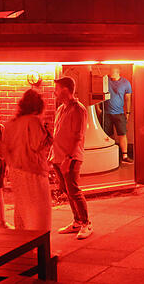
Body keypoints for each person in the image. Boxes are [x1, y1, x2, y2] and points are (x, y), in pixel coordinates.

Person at [1, 89, 53, 230]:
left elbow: (4, 149)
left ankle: (22, 244)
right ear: (38, 106)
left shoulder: (11, 123)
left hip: (16, 170)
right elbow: (37, 145)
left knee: (22, 208)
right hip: (33, 171)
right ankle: (40, 248)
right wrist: (48, 133)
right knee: (40, 211)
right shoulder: (33, 121)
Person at [50, 76, 93, 240]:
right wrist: (52, 156)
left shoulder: (79, 110)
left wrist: (68, 158)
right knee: (67, 191)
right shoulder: (61, 109)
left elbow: (78, 136)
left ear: (66, 90)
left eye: (57, 88)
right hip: (58, 157)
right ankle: (77, 221)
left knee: (74, 191)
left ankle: (86, 223)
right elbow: (57, 133)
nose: (55, 92)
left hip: (71, 158)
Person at [104, 67, 133, 163]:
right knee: (108, 135)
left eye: (112, 71)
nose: (110, 73)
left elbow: (128, 98)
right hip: (107, 113)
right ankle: (110, 156)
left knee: (122, 134)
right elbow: (98, 93)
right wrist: (98, 109)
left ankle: (125, 156)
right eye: (110, 71)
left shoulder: (125, 83)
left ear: (118, 72)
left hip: (119, 113)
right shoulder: (105, 79)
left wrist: (128, 112)